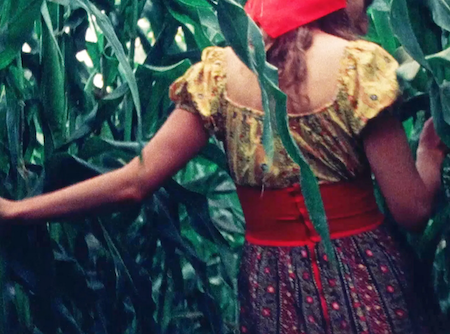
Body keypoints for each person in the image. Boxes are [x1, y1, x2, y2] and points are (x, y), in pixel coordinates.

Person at [0, 0, 447, 332]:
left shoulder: (218, 75)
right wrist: (430, 152)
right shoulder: (359, 68)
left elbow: (133, 182)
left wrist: (15, 210)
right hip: (363, 276)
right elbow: (411, 211)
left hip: (273, 287)